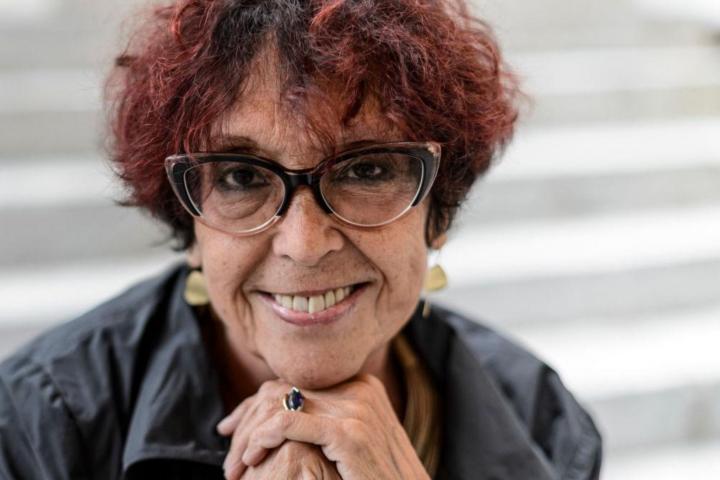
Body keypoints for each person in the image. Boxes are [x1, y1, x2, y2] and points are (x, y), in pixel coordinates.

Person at [0, 0, 602, 479]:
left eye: (367, 170)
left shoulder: (541, 421)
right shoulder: (39, 425)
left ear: (438, 212)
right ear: (189, 226)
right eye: (241, 177)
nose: (303, 244)